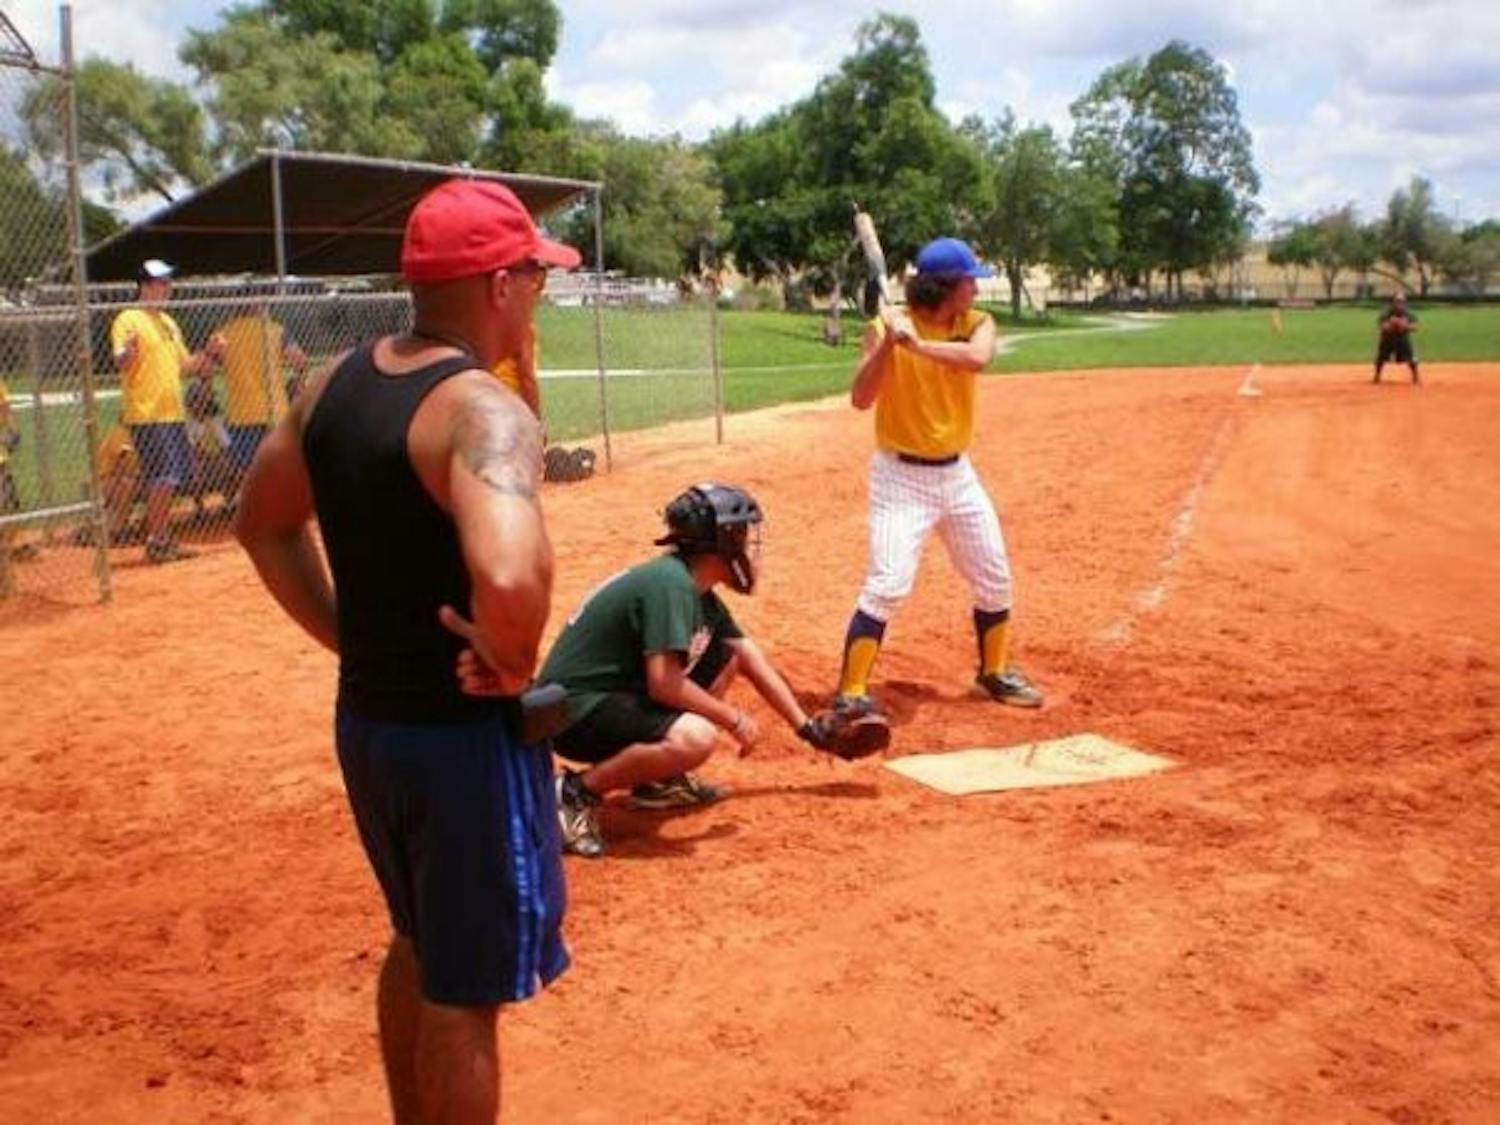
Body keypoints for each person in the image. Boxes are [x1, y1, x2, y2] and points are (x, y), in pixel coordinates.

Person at [234, 178, 581, 1125]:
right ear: (500, 283)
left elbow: (260, 523)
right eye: (536, 279)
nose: (539, 297)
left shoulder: (332, 386)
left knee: (417, 940)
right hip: (463, 741)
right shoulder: (483, 411)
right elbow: (510, 577)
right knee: (465, 995)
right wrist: (512, 656)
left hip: (371, 725)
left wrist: (349, 637)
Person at [539, 483, 834, 858]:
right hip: (575, 713)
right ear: (720, 541)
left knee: (728, 657)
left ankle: (657, 780)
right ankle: (573, 793)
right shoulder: (672, 585)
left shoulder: (694, 590)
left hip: (607, 700)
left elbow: (748, 657)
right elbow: (664, 683)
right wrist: (733, 719)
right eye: (740, 533)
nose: (746, 545)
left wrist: (806, 728)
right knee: (696, 738)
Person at [832, 237, 1043, 719]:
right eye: (969, 281)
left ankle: (993, 672)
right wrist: (889, 343)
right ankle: (852, 692)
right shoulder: (883, 327)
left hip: (957, 473)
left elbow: (977, 358)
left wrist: (920, 346)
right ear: (946, 287)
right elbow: (862, 398)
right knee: (888, 583)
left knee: (994, 576)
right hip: (900, 478)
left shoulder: (976, 323)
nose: (975, 289)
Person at [109, 259, 224, 563]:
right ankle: (157, 540)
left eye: (167, 282)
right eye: (160, 282)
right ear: (144, 286)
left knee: (172, 477)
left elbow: (186, 367)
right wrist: (128, 354)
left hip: (172, 412)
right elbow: (119, 358)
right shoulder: (128, 318)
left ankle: (159, 537)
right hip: (147, 413)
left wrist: (209, 353)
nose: (166, 287)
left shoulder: (169, 323)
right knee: (165, 476)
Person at [212, 300, 309, 489]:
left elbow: (212, 364)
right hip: (275, 409)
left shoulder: (224, 333)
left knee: (247, 467)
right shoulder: (275, 330)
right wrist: (299, 380)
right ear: (259, 306)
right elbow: (300, 360)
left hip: (241, 412)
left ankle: (254, 503)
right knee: (278, 462)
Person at [1372, 292, 1421, 385]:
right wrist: (1392, 325)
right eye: (1397, 301)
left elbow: (1415, 327)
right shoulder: (1386, 312)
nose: (1400, 303)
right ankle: (1377, 375)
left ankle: (1415, 376)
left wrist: (1404, 325)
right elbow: (1382, 326)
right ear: (1393, 302)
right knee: (1381, 357)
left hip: (1402, 338)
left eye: (1402, 301)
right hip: (1388, 338)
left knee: (1411, 357)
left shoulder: (1408, 313)